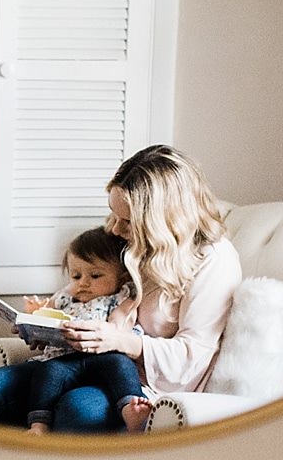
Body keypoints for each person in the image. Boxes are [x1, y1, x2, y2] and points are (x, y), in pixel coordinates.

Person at [45, 144, 242, 433]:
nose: (113, 230)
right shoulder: (136, 246)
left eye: (127, 221)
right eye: (113, 215)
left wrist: (119, 341)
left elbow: (193, 357)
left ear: (162, 221)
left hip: (149, 390)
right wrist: (51, 326)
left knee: (78, 407)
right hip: (101, 365)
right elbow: (93, 293)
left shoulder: (213, 259)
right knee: (5, 387)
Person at [0, 228, 150, 433]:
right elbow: (47, 314)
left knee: (121, 365)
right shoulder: (65, 297)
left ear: (122, 276)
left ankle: (130, 408)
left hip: (103, 359)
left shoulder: (122, 297)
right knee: (44, 373)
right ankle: (36, 425)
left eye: (95, 275)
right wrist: (34, 322)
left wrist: (108, 329)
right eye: (76, 275)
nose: (83, 283)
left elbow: (120, 323)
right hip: (64, 361)